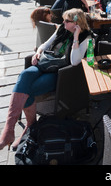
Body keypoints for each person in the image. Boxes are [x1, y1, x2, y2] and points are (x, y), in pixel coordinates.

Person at [0, 8, 91, 150]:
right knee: (24, 76)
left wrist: (76, 38)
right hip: (45, 63)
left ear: (76, 23)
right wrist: (38, 53)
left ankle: (28, 127)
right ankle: (9, 129)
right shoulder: (62, 29)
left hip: (59, 73)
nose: (63, 22)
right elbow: (45, 44)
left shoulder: (87, 37)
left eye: (67, 21)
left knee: (27, 90)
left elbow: (74, 61)